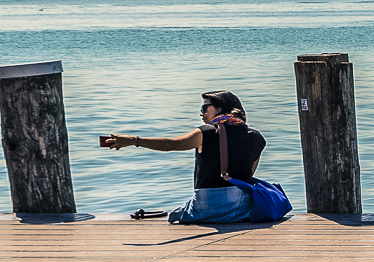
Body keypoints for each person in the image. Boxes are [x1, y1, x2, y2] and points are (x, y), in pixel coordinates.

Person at [101, 90, 267, 224]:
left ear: (220, 108)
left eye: (204, 109)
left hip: (206, 207)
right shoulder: (257, 138)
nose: (201, 114)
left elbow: (172, 144)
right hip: (240, 209)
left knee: (174, 216)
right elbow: (248, 176)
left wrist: (133, 140)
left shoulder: (206, 132)